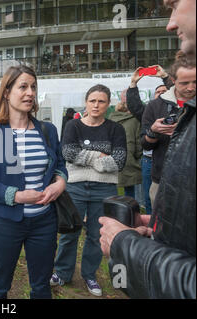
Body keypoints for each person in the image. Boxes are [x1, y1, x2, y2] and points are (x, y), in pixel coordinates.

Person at [99, 0, 196, 299]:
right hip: (152, 173)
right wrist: (163, 234)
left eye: (176, 4)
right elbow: (142, 137)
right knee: (141, 205)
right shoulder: (156, 106)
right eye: (184, 83)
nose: (169, 22)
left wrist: (128, 246)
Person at [0, 65, 68, 299]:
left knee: (41, 286)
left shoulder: (46, 130)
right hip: (7, 223)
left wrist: (60, 183)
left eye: (34, 87)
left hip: (44, 221)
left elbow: (59, 165)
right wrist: (16, 196)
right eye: (23, 87)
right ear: (7, 92)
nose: (30, 93)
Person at [50, 84, 127, 297]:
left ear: (108, 104)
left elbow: (119, 161)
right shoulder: (73, 126)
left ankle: (89, 275)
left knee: (96, 234)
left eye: (101, 101)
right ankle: (62, 272)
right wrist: (101, 157)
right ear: (86, 102)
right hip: (75, 186)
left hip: (104, 189)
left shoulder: (116, 129)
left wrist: (86, 155)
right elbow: (68, 153)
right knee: (69, 231)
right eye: (92, 100)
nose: (96, 105)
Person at [140, 55, 195, 203]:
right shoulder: (155, 105)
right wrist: (154, 131)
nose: (191, 87)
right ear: (173, 80)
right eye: (184, 83)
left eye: (195, 82)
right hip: (163, 180)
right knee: (161, 225)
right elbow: (145, 144)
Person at [126, 67, 171, 214]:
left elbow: (182, 92)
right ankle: (153, 224)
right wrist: (133, 84)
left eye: (165, 91)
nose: (161, 94)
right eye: (158, 92)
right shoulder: (150, 111)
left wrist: (165, 77)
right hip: (149, 161)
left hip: (171, 160)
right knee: (150, 197)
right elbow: (134, 106)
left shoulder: (180, 109)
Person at [109, 90, 142, 199]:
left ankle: (113, 211)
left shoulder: (110, 119)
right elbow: (138, 142)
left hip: (112, 158)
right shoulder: (135, 120)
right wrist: (137, 156)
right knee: (129, 190)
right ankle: (130, 211)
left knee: (112, 189)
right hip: (129, 157)